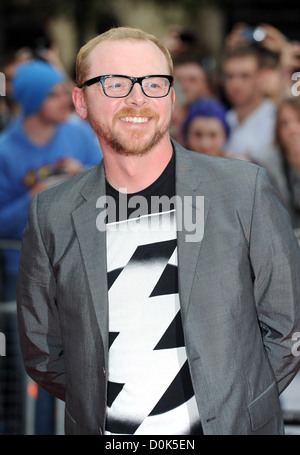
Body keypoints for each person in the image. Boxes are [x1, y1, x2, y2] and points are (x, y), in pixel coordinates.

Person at [16, 26, 300, 436]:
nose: (137, 98)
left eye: (154, 83)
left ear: (170, 96)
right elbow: (43, 351)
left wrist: (239, 405)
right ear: (80, 100)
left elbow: (289, 324)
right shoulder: (52, 212)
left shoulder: (243, 191)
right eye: (115, 83)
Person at [0, 59, 102, 303]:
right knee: (23, 341)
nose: (65, 101)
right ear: (33, 100)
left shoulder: (81, 134)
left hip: (81, 265)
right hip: (25, 270)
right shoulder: (5, 151)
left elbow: (113, 188)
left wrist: (83, 174)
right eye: (54, 95)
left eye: (64, 93)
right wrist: (33, 198)